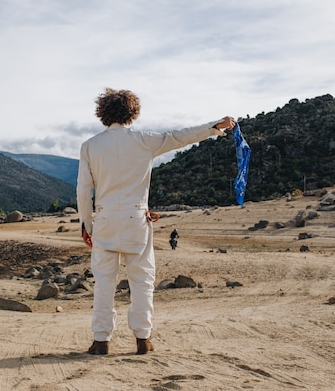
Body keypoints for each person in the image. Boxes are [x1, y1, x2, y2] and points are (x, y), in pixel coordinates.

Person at [76, 88, 235, 355]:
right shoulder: (145, 140)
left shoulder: (90, 146)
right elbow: (178, 137)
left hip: (103, 219)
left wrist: (86, 225)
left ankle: (101, 341)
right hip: (136, 217)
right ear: (132, 112)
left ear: (103, 113)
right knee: (142, 281)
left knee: (104, 283)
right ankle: (143, 339)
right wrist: (213, 126)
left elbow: (83, 190)